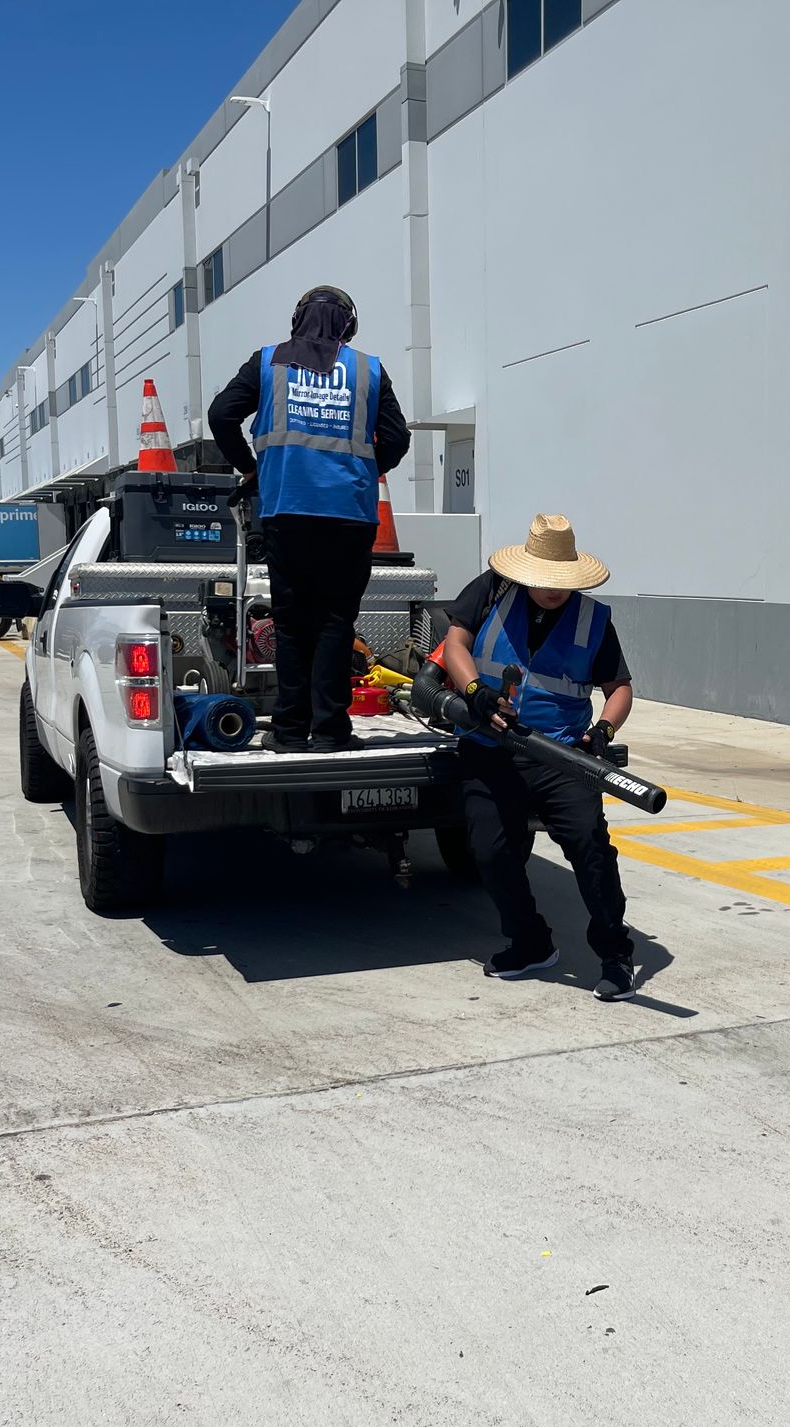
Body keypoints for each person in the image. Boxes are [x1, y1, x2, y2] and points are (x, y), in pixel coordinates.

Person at [439, 515, 638, 1001]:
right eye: (545, 581)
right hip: (491, 747)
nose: (553, 590)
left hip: (562, 754)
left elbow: (620, 688)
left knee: (590, 848)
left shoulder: (593, 620)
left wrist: (604, 729)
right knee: (490, 850)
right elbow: (455, 643)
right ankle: (530, 942)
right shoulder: (491, 590)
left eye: (561, 582)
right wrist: (475, 691)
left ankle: (615, 954)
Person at [208, 285, 411, 751]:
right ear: (349, 325)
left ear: (298, 319)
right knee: (337, 620)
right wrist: (362, 471)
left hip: (287, 510)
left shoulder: (267, 363)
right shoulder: (368, 369)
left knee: (292, 621)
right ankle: (332, 731)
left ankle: (289, 731)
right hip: (350, 517)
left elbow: (222, 415)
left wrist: (252, 468)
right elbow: (396, 440)